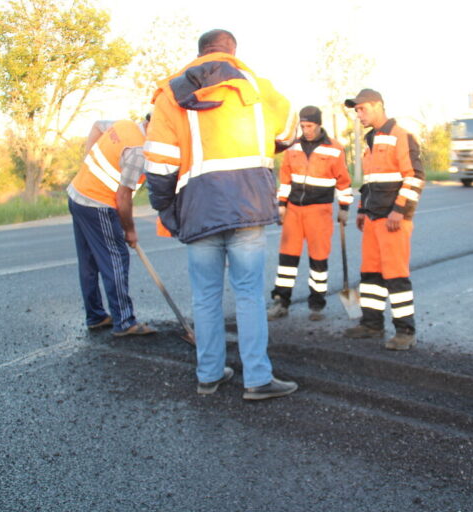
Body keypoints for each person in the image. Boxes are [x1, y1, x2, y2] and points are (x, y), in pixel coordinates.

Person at [143, 29, 299, 400]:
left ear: (199, 54)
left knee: (205, 296)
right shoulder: (260, 89)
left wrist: (165, 208)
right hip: (248, 206)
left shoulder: (170, 94)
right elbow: (290, 133)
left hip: (197, 210)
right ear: (232, 52)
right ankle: (257, 379)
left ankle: (209, 375)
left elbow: (160, 163)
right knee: (248, 294)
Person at [342, 89, 425, 350]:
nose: (359, 114)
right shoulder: (372, 140)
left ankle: (405, 332)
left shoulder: (401, 136)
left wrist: (399, 210)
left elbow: (414, 177)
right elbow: (369, 182)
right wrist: (361, 210)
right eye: (356, 110)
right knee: (370, 274)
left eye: (362, 108)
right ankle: (372, 324)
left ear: (378, 105)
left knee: (396, 275)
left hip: (393, 220)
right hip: (374, 218)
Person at [67, 116, 157, 337]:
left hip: (78, 195)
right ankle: (124, 322)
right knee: (116, 260)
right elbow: (123, 198)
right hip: (99, 206)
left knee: (88, 262)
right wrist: (130, 230)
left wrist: (88, 161)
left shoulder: (124, 125)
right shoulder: (138, 151)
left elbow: (97, 124)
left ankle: (95, 316)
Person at [267, 105, 353, 321]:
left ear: (318, 124)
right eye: (303, 126)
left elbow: (343, 181)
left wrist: (344, 207)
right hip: (294, 211)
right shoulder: (293, 148)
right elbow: (285, 177)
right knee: (287, 257)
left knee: (318, 258)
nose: (306, 130)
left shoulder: (334, 148)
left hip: (320, 211)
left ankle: (317, 304)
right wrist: (282, 204)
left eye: (310, 126)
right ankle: (281, 302)